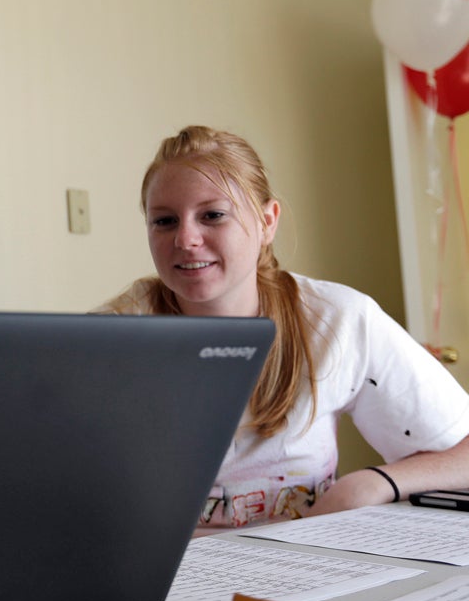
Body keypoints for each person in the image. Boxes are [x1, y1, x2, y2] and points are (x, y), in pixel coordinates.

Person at [96, 125, 469, 533]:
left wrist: (372, 483)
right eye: (164, 221)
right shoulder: (111, 337)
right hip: (171, 582)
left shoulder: (337, 318)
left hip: (304, 566)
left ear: (267, 221)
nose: (186, 239)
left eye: (213, 215)